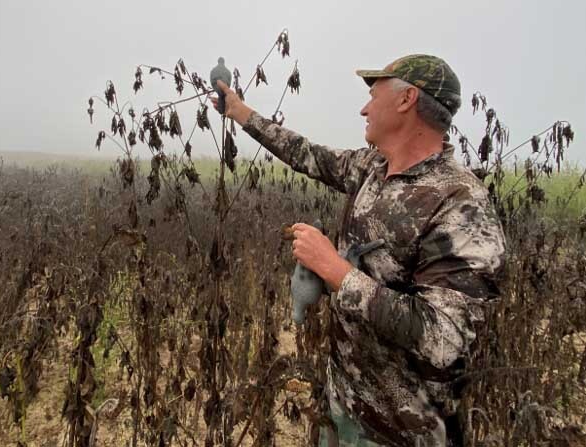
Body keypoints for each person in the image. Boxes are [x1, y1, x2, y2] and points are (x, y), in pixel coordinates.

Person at [212, 54, 506, 446]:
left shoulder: (460, 204)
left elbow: (445, 338)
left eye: (373, 95)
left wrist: (337, 272)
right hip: (342, 409)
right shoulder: (373, 167)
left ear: (407, 100)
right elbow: (306, 154)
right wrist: (239, 111)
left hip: (400, 433)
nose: (364, 108)